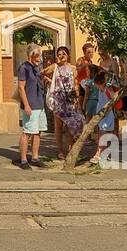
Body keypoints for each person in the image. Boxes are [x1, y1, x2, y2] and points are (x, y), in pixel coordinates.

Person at [14, 42, 48, 170]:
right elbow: (21, 87)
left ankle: (35, 157)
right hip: (31, 104)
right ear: (31, 55)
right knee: (27, 131)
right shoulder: (24, 68)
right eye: (38, 55)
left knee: (38, 132)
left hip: (40, 103)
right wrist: (26, 105)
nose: (40, 58)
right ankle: (23, 159)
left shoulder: (37, 68)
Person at [43, 45, 81, 160]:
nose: (61, 56)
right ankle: (60, 151)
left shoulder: (73, 68)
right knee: (58, 126)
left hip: (70, 99)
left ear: (68, 55)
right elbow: (42, 72)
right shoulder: (55, 67)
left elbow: (76, 84)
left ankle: (70, 149)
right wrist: (50, 81)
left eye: (63, 54)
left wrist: (77, 99)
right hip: (58, 100)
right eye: (59, 54)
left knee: (69, 125)